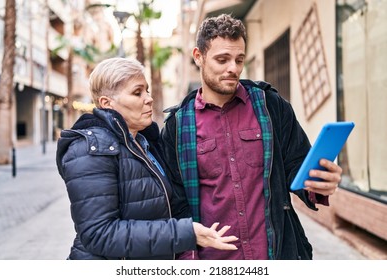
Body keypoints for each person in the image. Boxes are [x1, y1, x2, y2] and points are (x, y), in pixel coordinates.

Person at [160, 14, 343, 260]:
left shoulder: (271, 106)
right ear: (198, 57)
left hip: (275, 255)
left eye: (239, 59)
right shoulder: (177, 126)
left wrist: (318, 183)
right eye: (222, 59)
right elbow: (176, 202)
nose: (233, 68)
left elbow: (296, 165)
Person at [56, 57, 238, 260]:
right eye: (137, 92)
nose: (149, 98)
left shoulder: (144, 143)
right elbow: (99, 234)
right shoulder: (91, 149)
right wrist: (184, 233)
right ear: (107, 104)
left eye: (147, 90)